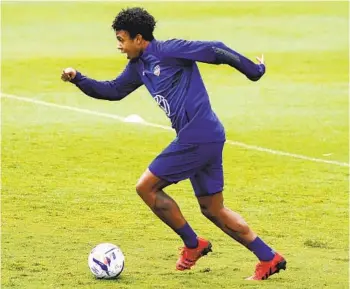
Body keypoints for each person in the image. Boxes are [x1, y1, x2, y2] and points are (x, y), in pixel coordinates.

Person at [61, 7, 286, 280]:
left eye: (122, 39)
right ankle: (268, 257)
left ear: (139, 38)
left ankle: (193, 244)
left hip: (198, 135)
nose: (119, 46)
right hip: (206, 136)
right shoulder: (139, 66)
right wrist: (78, 79)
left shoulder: (169, 50)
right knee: (213, 209)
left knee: (146, 187)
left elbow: (215, 49)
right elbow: (113, 91)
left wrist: (254, 71)